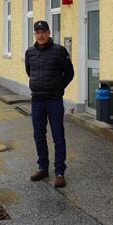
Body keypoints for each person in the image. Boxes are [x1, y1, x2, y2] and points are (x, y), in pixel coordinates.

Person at [24, 20, 74, 188]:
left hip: (54, 100)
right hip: (37, 99)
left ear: (49, 32)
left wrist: (59, 87)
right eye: (38, 32)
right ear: (35, 34)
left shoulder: (59, 51)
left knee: (58, 136)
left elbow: (69, 73)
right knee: (39, 136)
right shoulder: (29, 53)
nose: (41, 35)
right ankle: (42, 168)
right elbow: (29, 71)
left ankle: (60, 172)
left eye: (43, 31)